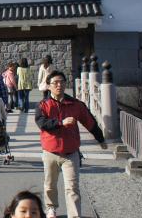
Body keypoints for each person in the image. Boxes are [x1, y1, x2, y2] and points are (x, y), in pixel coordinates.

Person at [35, 71, 106, 218]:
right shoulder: (43, 105)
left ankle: (74, 215)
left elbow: (89, 121)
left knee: (72, 187)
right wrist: (60, 123)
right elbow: (42, 123)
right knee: (50, 184)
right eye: (55, 83)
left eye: (62, 82)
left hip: (71, 152)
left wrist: (101, 139)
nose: (59, 85)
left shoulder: (76, 104)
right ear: (48, 86)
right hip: (50, 152)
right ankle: (51, 208)